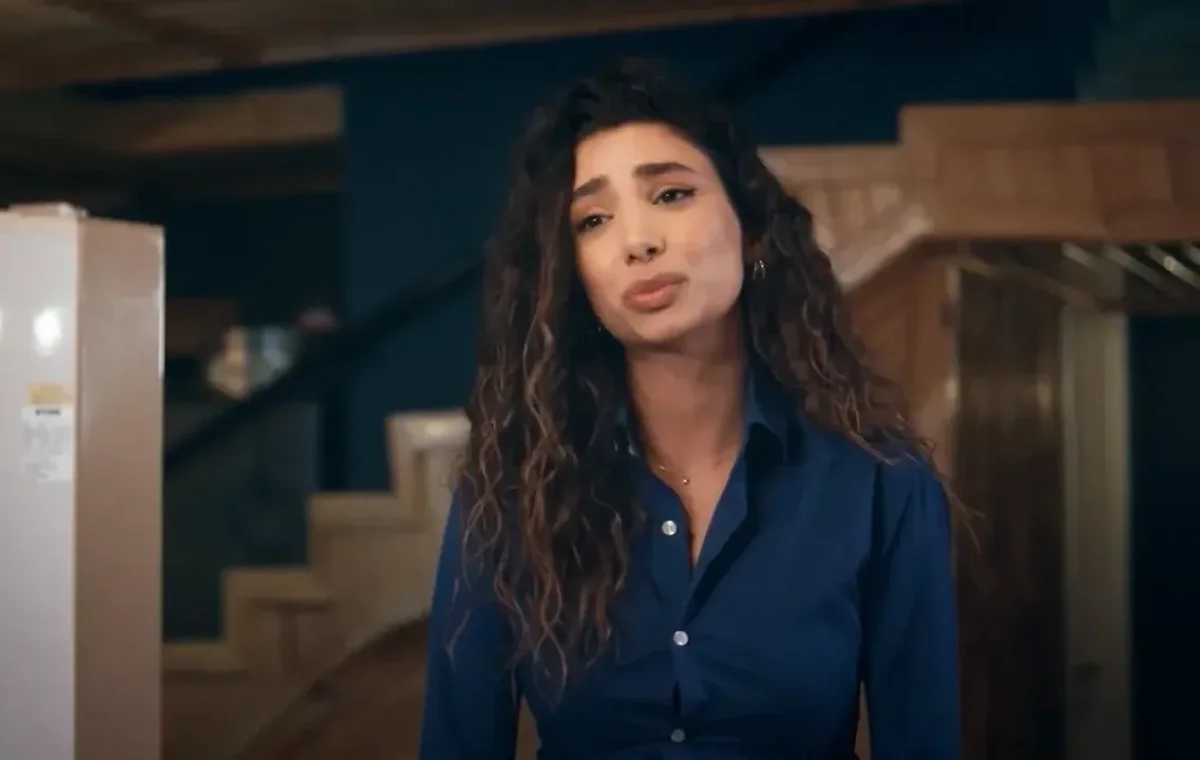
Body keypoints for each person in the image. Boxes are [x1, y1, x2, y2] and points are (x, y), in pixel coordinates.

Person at [419, 60, 961, 760]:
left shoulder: (881, 482)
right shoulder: (508, 494)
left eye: (671, 194)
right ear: (572, 274)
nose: (638, 241)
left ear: (750, 227)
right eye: (593, 220)